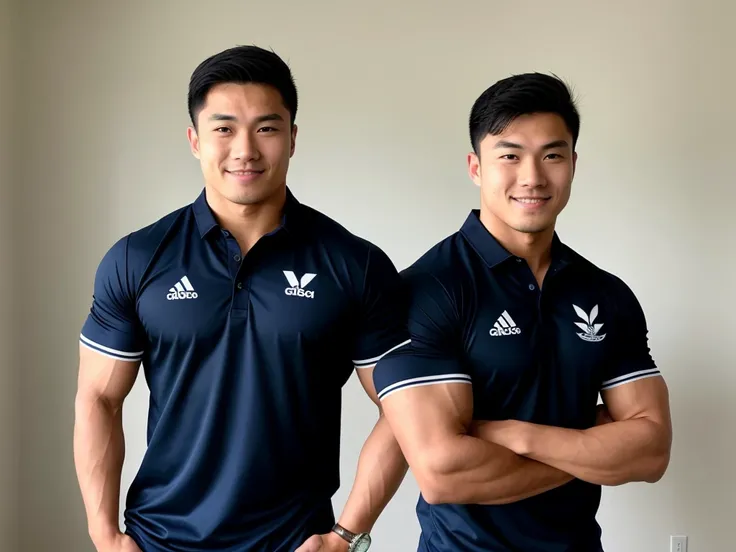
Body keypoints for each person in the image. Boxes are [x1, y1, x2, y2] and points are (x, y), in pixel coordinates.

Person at [73, 45, 410, 552]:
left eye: (267, 128)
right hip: (161, 540)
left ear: (293, 139)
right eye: (224, 128)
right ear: (194, 140)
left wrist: (347, 534)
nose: (245, 150)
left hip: (294, 543)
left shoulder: (354, 264)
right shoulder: (136, 259)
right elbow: (98, 397)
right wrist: (105, 538)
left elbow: (405, 408)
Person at [373, 73, 673, 551]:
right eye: (509, 156)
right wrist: (587, 449)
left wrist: (518, 435)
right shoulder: (428, 289)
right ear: (475, 167)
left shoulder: (606, 293)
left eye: (552, 155)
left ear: (573, 164)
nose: (533, 177)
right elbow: (444, 474)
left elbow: (652, 452)